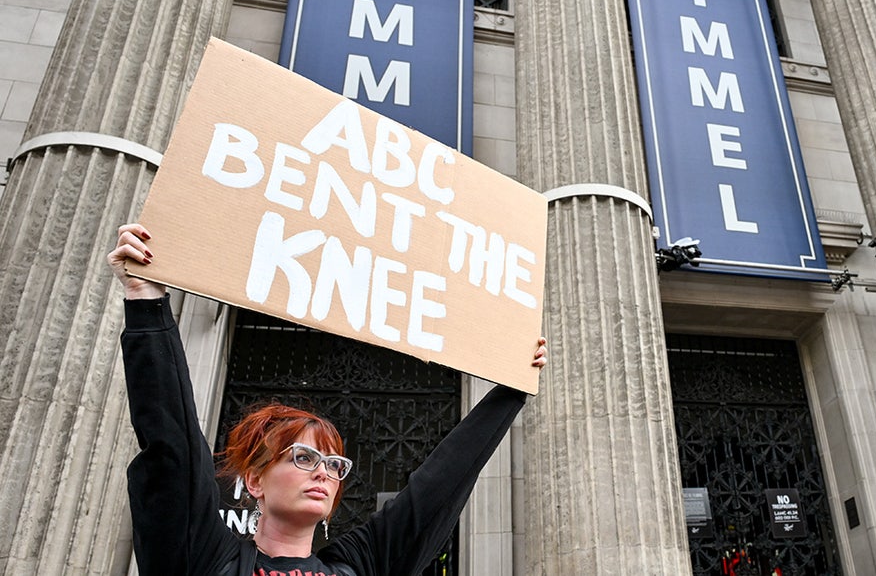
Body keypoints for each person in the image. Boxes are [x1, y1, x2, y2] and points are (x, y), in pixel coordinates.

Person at [108, 223, 548, 576]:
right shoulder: (206, 559)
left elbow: (439, 487)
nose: (323, 472)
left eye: (334, 465)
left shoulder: (358, 566)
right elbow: (173, 449)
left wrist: (511, 388)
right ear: (256, 482)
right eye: (302, 457)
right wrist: (146, 303)